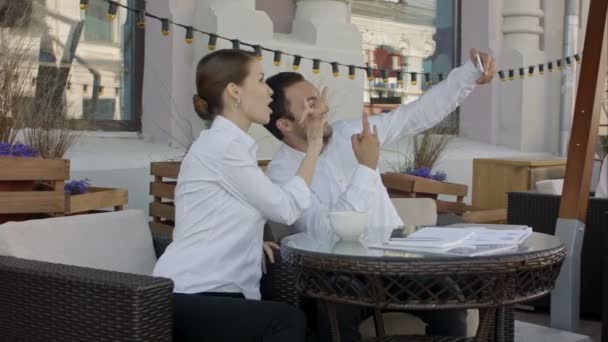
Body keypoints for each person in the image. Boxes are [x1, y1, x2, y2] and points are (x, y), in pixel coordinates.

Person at [263, 48, 496, 341]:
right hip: (340, 275)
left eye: (319, 97)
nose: (324, 107)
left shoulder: (354, 133)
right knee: (332, 308)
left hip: (399, 260)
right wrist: (366, 167)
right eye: (311, 103)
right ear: (285, 124)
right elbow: (328, 232)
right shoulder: (282, 174)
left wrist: (469, 73)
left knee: (449, 297)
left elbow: (415, 115)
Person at [153, 49, 327, 342]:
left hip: (214, 292)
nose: (269, 91)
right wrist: (313, 146)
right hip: (192, 293)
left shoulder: (229, 146)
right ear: (235, 91)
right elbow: (285, 209)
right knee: (286, 322)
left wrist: (249, 242)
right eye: (260, 80)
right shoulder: (224, 148)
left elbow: (217, 212)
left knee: (307, 322)